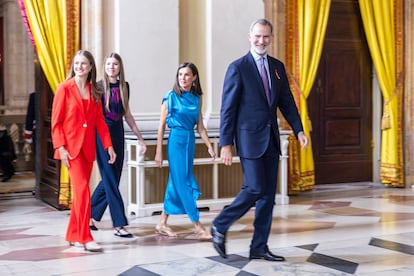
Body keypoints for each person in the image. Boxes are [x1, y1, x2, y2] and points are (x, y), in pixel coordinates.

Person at [210, 19, 309, 261]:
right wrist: (225, 144)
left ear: (271, 39)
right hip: (249, 139)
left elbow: (286, 101)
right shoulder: (238, 67)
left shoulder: (277, 67)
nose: (261, 41)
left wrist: (299, 130)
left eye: (265, 37)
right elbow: (228, 109)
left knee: (267, 197)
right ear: (249, 36)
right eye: (257, 36)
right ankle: (220, 224)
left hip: (271, 141)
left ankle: (259, 247)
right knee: (254, 188)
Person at [51, 50, 116, 252]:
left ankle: (73, 234)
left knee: (81, 193)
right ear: (74, 66)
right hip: (70, 149)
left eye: (84, 63)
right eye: (77, 63)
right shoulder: (64, 88)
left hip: (88, 149)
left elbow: (100, 123)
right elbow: (56, 122)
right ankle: (86, 237)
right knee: (82, 192)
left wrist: (109, 146)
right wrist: (60, 148)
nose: (80, 67)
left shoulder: (95, 91)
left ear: (90, 67)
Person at [154, 62, 216, 240]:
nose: (183, 78)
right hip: (175, 141)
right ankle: (197, 225)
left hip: (190, 141)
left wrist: (209, 145)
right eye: (180, 75)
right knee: (183, 182)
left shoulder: (197, 98)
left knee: (176, 182)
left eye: (187, 74)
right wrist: (159, 151)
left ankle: (162, 222)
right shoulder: (170, 97)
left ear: (194, 77)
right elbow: (161, 127)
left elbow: (201, 127)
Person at [90, 52, 147, 238]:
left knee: (111, 178)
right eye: (108, 64)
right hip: (102, 135)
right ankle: (119, 224)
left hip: (118, 133)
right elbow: (95, 118)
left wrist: (139, 137)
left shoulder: (125, 87)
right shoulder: (97, 87)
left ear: (119, 67)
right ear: (104, 66)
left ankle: (88, 215)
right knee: (110, 179)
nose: (111, 67)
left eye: (114, 64)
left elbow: (127, 115)